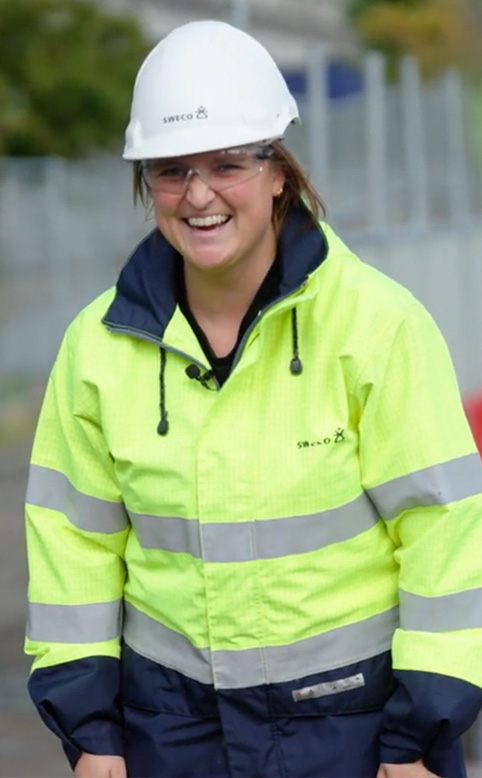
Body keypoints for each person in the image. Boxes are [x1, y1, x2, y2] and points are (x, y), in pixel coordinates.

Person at [24, 19, 482, 778]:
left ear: (278, 171)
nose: (198, 195)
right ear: (147, 184)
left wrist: (420, 736)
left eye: (227, 165)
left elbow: (446, 532)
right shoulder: (97, 347)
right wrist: (90, 731)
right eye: (171, 171)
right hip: (168, 735)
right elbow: (72, 545)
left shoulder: (377, 325)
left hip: (355, 731)